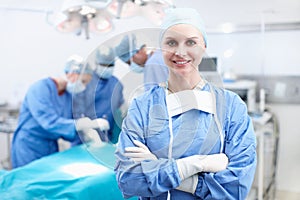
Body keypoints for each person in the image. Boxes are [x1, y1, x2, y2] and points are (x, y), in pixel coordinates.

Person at [114, 7, 257, 199]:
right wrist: (194, 165)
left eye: (191, 42)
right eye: (171, 42)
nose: (180, 52)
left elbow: (235, 189)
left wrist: (159, 168)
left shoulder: (231, 107)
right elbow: (128, 180)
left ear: (204, 46)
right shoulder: (142, 107)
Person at [11, 55, 100, 168]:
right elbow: (48, 121)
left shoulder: (68, 97)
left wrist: (87, 136)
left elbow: (68, 124)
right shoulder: (40, 89)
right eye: (83, 81)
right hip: (29, 146)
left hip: (50, 147)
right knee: (28, 182)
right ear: (72, 74)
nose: (83, 87)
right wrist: (79, 124)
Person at [71, 46, 124, 145]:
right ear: (96, 63)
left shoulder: (117, 84)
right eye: (103, 64)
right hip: (84, 141)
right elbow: (76, 112)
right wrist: (87, 131)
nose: (107, 68)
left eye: (110, 65)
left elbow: (118, 113)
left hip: (108, 139)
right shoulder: (85, 82)